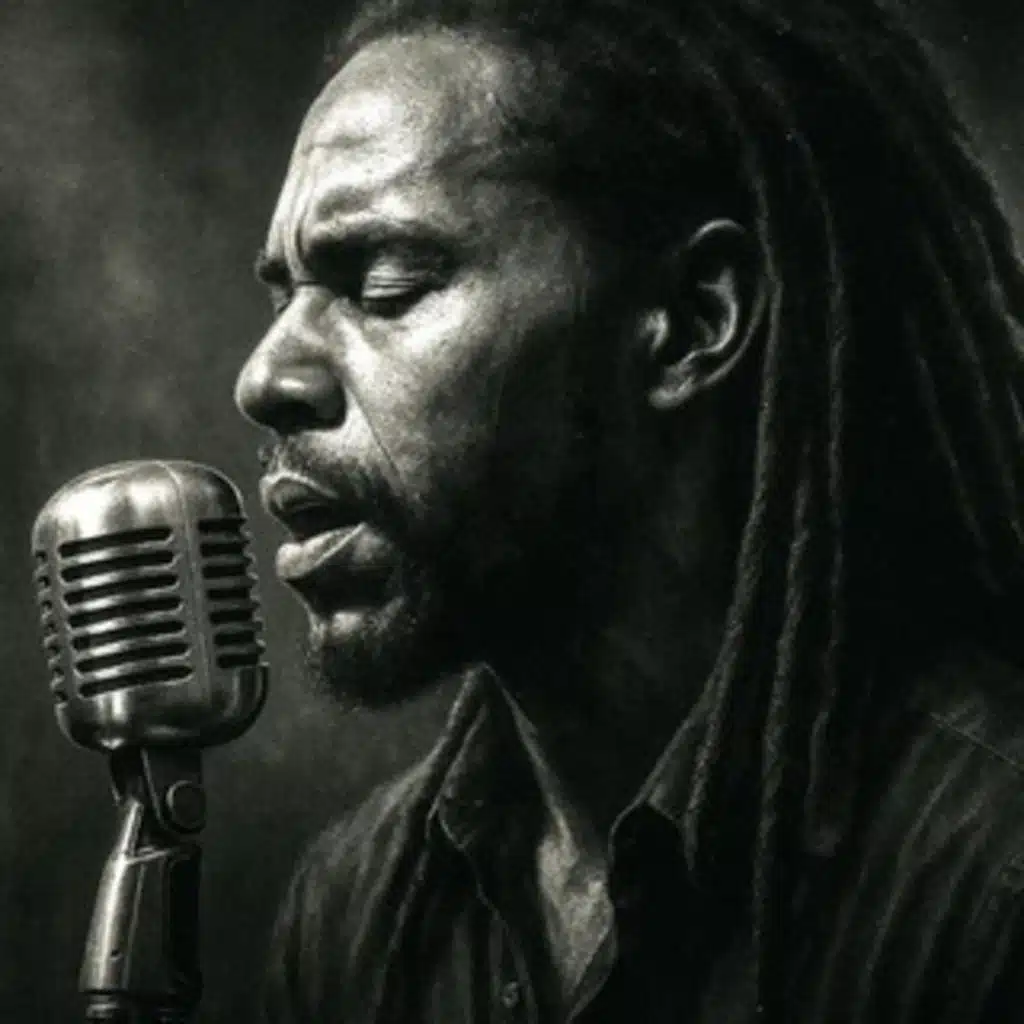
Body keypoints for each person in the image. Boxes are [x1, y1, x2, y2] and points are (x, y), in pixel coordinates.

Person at [233, 0, 1024, 1020]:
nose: (266, 377)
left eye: (383, 283)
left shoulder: (989, 881)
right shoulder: (354, 917)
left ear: (692, 321)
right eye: (284, 296)